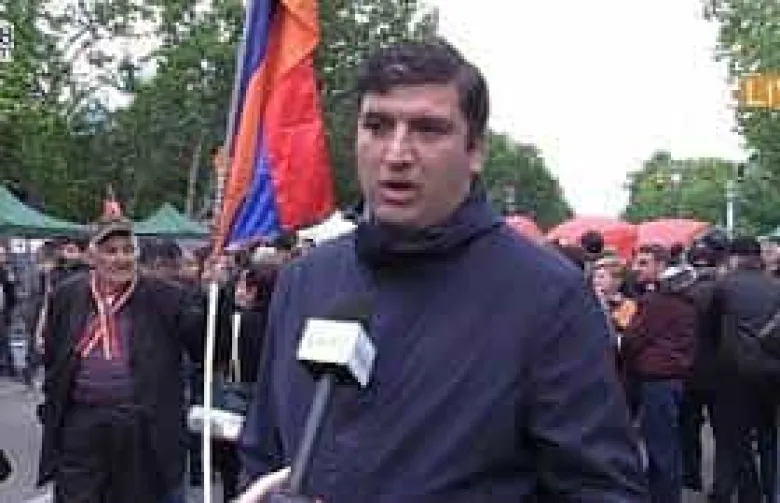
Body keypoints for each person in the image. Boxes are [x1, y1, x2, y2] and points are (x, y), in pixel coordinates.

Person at [238, 39, 646, 502]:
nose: (396, 153)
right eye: (377, 126)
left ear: (475, 151)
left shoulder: (549, 298)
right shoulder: (305, 281)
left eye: (428, 130)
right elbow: (263, 455)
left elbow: (601, 490)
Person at [36, 215, 215, 502]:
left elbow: (202, 344)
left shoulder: (166, 296)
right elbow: (55, 355)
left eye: (127, 250)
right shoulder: (67, 294)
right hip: (81, 420)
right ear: (92, 256)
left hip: (138, 423)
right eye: (111, 251)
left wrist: (212, 294)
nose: (121, 259)